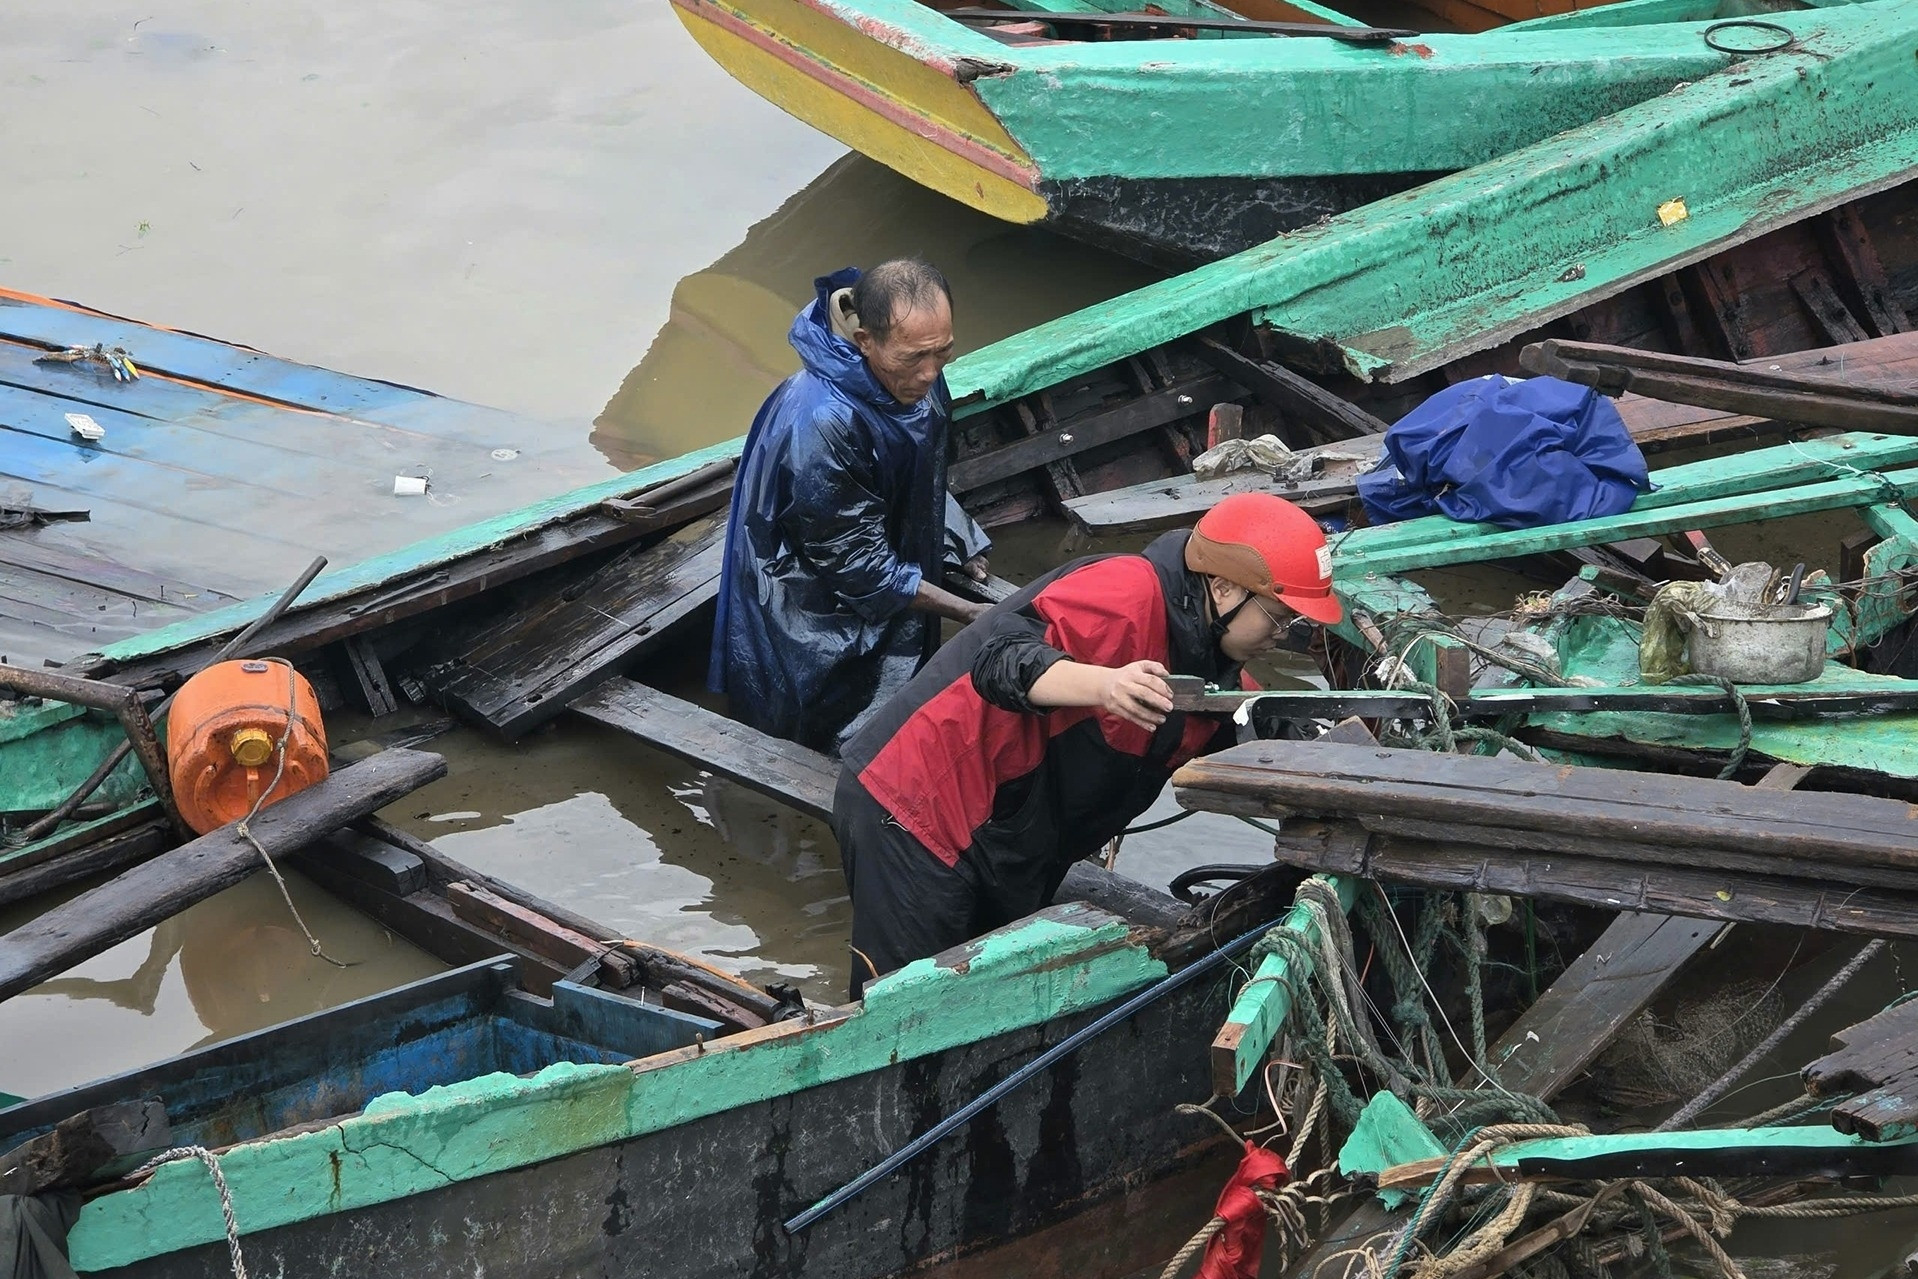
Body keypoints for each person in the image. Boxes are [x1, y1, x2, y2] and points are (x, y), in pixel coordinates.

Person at [832, 492, 1342, 996]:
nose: (1283, 635)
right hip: (915, 809)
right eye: (1278, 617)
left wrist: (1333, 748)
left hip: (1005, 836)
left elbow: (1250, 721)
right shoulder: (1124, 594)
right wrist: (1104, 684)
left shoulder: (1207, 661)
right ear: (1225, 589)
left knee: (988, 1001)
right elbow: (999, 659)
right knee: (909, 1014)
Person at [709, 260, 992, 756]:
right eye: (915, 358)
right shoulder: (823, 421)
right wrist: (968, 610)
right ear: (865, 341)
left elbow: (924, 475)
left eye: (943, 353)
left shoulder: (919, 375)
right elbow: (857, 567)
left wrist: (959, 540)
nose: (930, 373)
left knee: (903, 686)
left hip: (869, 551)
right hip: (807, 593)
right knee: (831, 718)